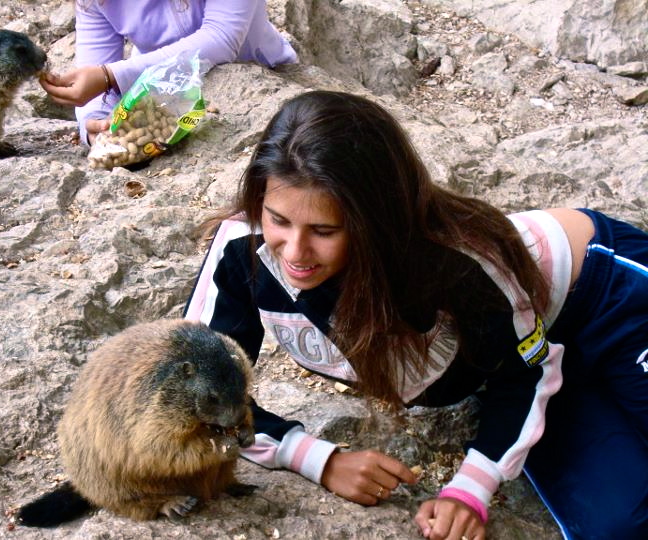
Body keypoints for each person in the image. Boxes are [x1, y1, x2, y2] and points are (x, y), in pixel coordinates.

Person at [183, 90, 648, 540]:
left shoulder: (458, 264)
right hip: (525, 358)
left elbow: (528, 371)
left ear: (377, 221)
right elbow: (196, 394)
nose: (296, 252)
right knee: (621, 524)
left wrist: (471, 487)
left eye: (324, 230)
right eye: (278, 219)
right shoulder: (241, 251)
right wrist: (316, 458)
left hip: (608, 297)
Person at [39, 0, 296, 144]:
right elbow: (93, 71)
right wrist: (94, 126)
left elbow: (222, 38)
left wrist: (111, 76)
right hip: (164, 99)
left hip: (260, 79)